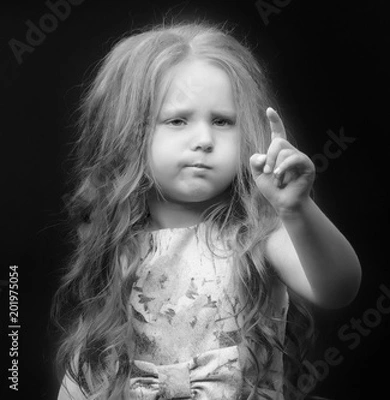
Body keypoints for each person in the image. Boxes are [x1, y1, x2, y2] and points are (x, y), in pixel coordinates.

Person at [51, 19, 361, 400]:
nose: (204, 140)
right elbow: (95, 355)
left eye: (222, 121)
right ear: (129, 133)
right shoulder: (118, 242)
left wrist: (297, 209)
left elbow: (338, 289)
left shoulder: (257, 234)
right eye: (178, 120)